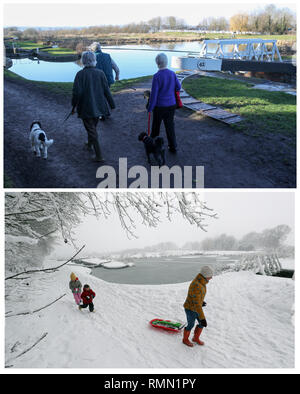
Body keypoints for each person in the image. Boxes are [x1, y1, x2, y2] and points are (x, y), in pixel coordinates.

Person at [71, 51, 115, 162]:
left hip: (86, 108)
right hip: (99, 108)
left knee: (91, 130)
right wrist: (111, 104)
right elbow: (107, 91)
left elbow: (76, 93)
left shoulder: (80, 75)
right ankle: (89, 144)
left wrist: (73, 106)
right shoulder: (100, 73)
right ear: (94, 60)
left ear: (83, 62)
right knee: (92, 128)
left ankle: (99, 155)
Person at [147, 53, 181, 153]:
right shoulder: (172, 73)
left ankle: (153, 144)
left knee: (156, 126)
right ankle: (173, 146)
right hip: (171, 105)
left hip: (159, 106)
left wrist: (150, 107)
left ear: (157, 63)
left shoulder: (157, 76)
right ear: (166, 62)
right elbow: (178, 87)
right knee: (170, 125)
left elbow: (154, 95)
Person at [182, 266, 214, 347]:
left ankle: (195, 338)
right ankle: (185, 340)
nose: (211, 277)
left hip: (196, 307)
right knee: (191, 324)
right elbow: (197, 305)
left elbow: (196, 297)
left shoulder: (202, 282)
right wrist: (203, 318)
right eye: (210, 276)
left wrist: (201, 301)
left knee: (201, 324)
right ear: (205, 275)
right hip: (190, 308)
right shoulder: (197, 285)